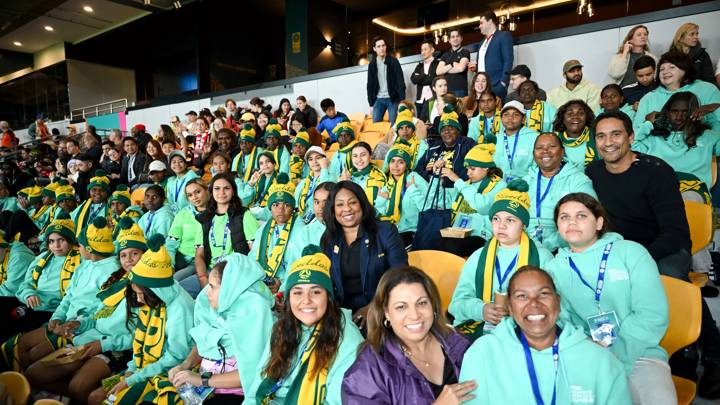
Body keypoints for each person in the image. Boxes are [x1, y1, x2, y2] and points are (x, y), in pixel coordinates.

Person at [587, 110, 720, 398]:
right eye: (601, 136)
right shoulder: (594, 172)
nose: (608, 142)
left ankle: (712, 354)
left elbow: (674, 232)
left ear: (631, 137)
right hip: (621, 248)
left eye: (616, 134)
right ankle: (623, 350)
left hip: (665, 246)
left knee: (670, 279)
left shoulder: (656, 172)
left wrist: (636, 259)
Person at [547, 193, 674, 404]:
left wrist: (617, 351)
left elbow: (652, 314)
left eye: (581, 216)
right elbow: (561, 322)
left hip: (640, 352)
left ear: (599, 222)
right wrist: (590, 348)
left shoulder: (631, 253)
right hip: (586, 354)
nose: (571, 222)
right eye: (564, 217)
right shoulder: (552, 270)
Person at [458, 266, 632, 404]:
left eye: (543, 294)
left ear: (558, 301)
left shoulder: (600, 360)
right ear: (510, 308)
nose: (534, 304)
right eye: (521, 296)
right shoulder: (482, 353)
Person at [22, 217, 144, 402]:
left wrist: (100, 344)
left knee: (78, 387)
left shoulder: (149, 290)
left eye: (135, 254)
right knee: (34, 373)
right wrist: (77, 324)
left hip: (117, 348)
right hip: (90, 335)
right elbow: (96, 313)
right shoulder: (118, 280)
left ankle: (83, 394)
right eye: (124, 255)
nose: (128, 260)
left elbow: (142, 337)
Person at [247, 246, 364, 404]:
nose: (306, 300)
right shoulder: (282, 329)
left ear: (328, 298)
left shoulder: (347, 339)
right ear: (289, 299)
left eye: (316, 292)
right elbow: (257, 385)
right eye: (297, 292)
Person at [342, 266, 474, 404]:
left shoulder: (458, 343)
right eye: (401, 307)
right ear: (386, 312)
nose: (415, 315)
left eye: (422, 303)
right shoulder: (369, 370)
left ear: (433, 306)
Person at [88, 236, 195, 405]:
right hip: (142, 367)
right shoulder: (153, 299)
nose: (139, 300)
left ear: (155, 290)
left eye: (141, 294)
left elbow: (175, 357)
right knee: (94, 397)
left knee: (107, 400)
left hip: (167, 372)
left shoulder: (180, 309)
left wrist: (132, 379)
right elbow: (140, 341)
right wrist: (131, 371)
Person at [3, 216, 117, 373]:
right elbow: (27, 286)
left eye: (61, 240)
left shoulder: (83, 262)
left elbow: (92, 306)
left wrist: (67, 320)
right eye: (51, 241)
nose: (55, 246)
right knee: (11, 339)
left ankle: (24, 385)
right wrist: (32, 296)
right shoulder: (45, 258)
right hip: (48, 311)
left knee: (27, 352)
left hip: (63, 317)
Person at [448, 179, 552, 340]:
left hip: (527, 331)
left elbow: (554, 304)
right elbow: (456, 304)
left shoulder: (542, 258)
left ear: (523, 225)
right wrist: (481, 310)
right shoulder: (478, 256)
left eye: (510, 220)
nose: (501, 225)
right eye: (496, 219)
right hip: (484, 330)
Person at [170, 254, 274, 404]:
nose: (207, 292)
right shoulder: (217, 310)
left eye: (212, 286)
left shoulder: (254, 318)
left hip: (236, 395)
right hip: (206, 387)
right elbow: (205, 344)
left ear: (231, 289)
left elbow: (251, 373)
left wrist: (202, 380)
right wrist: (185, 365)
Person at [321, 181, 407, 327]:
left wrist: (375, 307)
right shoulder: (329, 239)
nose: (347, 209)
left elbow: (401, 276)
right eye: (340, 204)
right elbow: (325, 283)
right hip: (343, 313)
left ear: (362, 204)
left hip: (383, 307)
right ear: (333, 210)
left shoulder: (385, 232)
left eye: (352, 202)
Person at [186, 174, 259, 298]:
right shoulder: (205, 218)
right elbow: (199, 255)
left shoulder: (244, 215)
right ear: (211, 191)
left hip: (234, 273)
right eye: (217, 188)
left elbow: (255, 251)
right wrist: (204, 279)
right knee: (178, 291)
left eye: (226, 188)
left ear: (233, 191)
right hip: (210, 273)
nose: (221, 192)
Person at [524, 132, 597, 251]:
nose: (545, 151)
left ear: (562, 152)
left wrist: (554, 242)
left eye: (551, 146)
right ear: (534, 154)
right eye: (539, 148)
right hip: (525, 243)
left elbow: (589, 216)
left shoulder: (578, 180)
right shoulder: (524, 182)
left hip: (566, 244)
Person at [437, 144, 507, 257]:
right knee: (436, 241)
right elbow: (441, 202)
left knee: (453, 247)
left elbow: (482, 206)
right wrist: (437, 180)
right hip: (459, 232)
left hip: (482, 235)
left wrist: (457, 180)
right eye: (467, 169)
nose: (468, 173)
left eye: (473, 169)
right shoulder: (466, 185)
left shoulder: (500, 186)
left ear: (486, 168)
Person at [634, 51, 720, 142]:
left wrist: (713, 109)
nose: (665, 72)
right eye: (662, 69)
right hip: (657, 150)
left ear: (685, 70)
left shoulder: (706, 89)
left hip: (699, 146)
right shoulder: (649, 98)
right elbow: (636, 132)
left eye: (672, 67)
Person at [249, 174, 306, 289]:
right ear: (270, 209)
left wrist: (282, 285)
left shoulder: (300, 229)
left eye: (286, 205)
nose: (281, 209)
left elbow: (298, 264)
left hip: (289, 282)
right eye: (276, 205)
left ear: (292, 208)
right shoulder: (263, 229)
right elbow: (253, 257)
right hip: (264, 279)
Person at [0, 211, 45, 342]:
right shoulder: (3, 255)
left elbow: (11, 289)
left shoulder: (18, 257)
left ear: (3, 247)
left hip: (29, 297)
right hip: (16, 293)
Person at [375, 143, 429, 249]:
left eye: (401, 162)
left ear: (407, 165)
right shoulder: (389, 184)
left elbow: (427, 208)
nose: (395, 166)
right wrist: (381, 201)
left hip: (412, 231)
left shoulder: (415, 178)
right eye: (392, 161)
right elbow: (381, 214)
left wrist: (413, 191)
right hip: (392, 229)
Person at [415, 106, 476, 189]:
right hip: (432, 190)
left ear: (458, 130)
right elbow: (418, 170)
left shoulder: (468, 144)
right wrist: (430, 175)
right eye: (443, 129)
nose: (446, 131)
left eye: (450, 128)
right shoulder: (434, 147)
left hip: (457, 189)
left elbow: (473, 170)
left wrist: (448, 178)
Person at [167, 179, 207, 284]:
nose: (194, 197)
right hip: (180, 259)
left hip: (200, 261)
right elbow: (171, 243)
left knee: (174, 282)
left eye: (198, 192)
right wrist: (169, 266)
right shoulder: (183, 213)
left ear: (207, 190)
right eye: (190, 195)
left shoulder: (217, 212)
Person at [493, 101, 538, 181]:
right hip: (498, 185)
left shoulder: (535, 137)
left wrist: (523, 182)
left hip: (526, 184)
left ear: (523, 119)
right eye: (506, 114)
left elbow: (538, 167)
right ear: (501, 118)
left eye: (516, 114)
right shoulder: (495, 139)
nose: (510, 117)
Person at [473, 11, 513, 98]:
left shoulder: (504, 36)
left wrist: (503, 82)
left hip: (496, 85)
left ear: (490, 21)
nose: (479, 26)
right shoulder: (481, 43)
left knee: (497, 111)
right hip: (480, 88)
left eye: (481, 23)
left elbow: (508, 60)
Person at [367, 36, 406, 124]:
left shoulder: (393, 61)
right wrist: (371, 104)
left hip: (392, 98)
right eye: (379, 46)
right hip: (378, 99)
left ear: (386, 47)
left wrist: (402, 101)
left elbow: (400, 82)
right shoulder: (372, 65)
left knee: (394, 125)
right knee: (376, 126)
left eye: (383, 45)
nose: (381, 48)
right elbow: (370, 85)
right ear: (374, 49)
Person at [553, 100, 599, 167]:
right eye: (570, 114)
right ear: (563, 118)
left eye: (580, 113)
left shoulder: (597, 137)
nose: (575, 116)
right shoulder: (554, 140)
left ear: (587, 117)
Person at [339, 142, 388, 207]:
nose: (359, 159)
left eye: (363, 155)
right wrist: (343, 184)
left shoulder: (379, 176)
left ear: (370, 156)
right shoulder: (345, 176)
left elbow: (381, 206)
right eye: (355, 156)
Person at [295, 146, 334, 224]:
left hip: (323, 220)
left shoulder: (332, 178)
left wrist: (324, 169)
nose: (315, 161)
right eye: (311, 159)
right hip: (303, 220)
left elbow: (324, 191)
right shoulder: (303, 183)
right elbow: (296, 205)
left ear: (324, 160)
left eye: (318, 158)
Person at [71, 170, 112, 237]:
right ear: (89, 192)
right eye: (94, 189)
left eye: (102, 190)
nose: (98, 192)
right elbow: (72, 218)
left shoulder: (111, 207)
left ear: (107, 192)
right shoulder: (83, 205)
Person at [436, 29, 471, 97]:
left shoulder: (465, 52)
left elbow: (461, 68)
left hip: (460, 90)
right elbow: (438, 71)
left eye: (457, 36)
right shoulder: (445, 55)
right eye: (453, 37)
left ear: (461, 38)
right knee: (447, 108)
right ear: (449, 40)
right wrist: (452, 65)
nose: (455, 38)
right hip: (446, 90)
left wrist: (445, 70)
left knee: (460, 108)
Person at [411, 40, 440, 114]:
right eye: (421, 50)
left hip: (432, 98)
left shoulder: (437, 64)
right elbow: (413, 79)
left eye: (425, 49)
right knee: (421, 123)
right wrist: (425, 75)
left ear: (432, 50)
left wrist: (420, 79)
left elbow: (433, 80)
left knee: (431, 122)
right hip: (420, 100)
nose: (422, 52)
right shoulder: (419, 66)